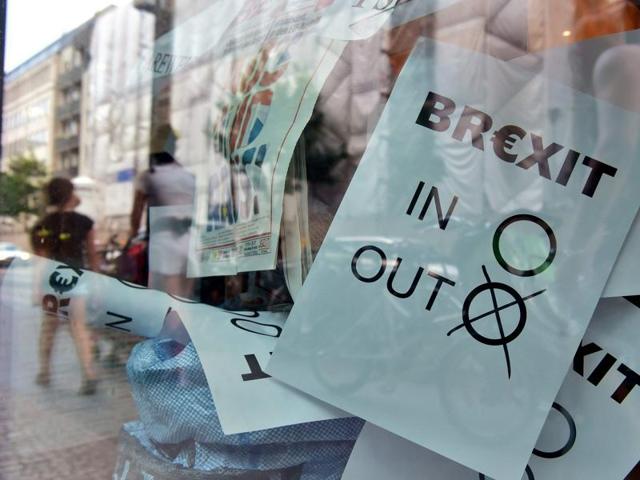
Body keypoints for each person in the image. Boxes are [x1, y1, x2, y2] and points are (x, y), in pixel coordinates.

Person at [31, 177, 100, 395]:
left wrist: (37, 288)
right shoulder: (85, 222)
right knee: (79, 327)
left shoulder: (41, 225)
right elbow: (93, 257)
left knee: (49, 329)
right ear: (71, 195)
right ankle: (88, 373)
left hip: (51, 282)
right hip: (76, 280)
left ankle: (44, 372)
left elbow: (41, 260)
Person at [130, 124, 196, 298]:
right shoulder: (188, 176)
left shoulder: (149, 176)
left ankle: (173, 324)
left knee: (171, 296)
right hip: (191, 238)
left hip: (166, 238)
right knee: (185, 297)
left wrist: (132, 235)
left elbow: (136, 213)